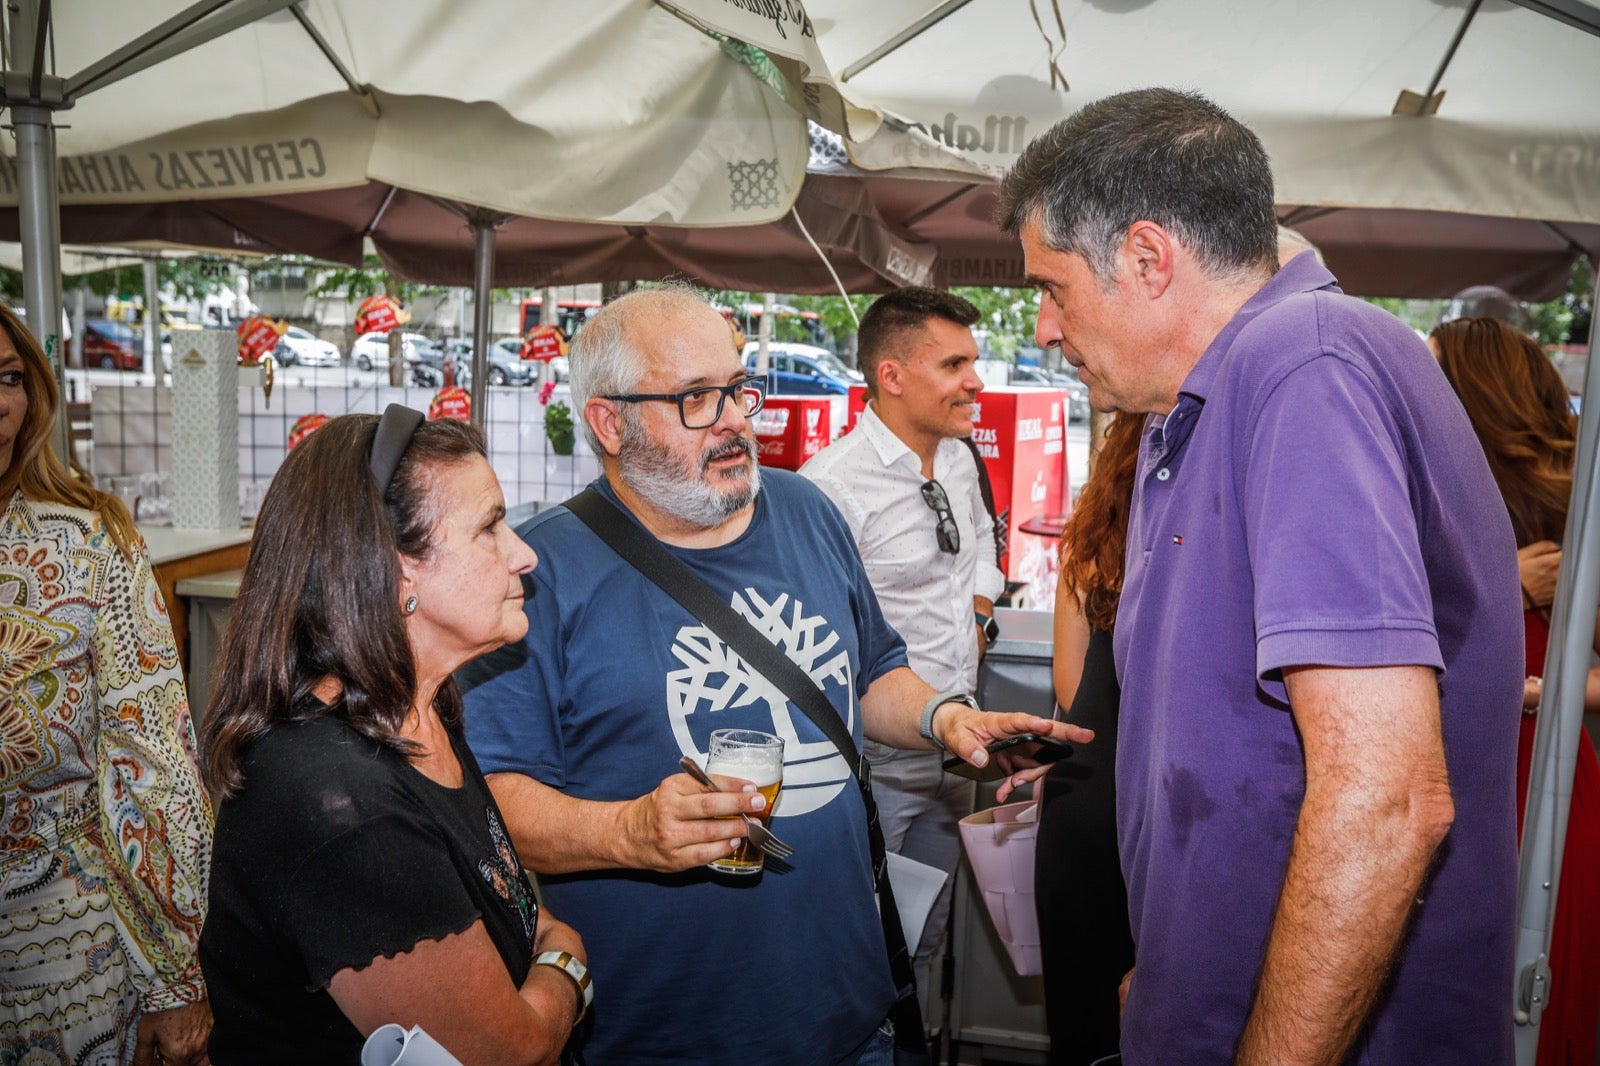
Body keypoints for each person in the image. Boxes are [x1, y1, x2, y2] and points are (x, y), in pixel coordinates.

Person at [998, 87, 1522, 1063]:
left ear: (1149, 259)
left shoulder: (1300, 366)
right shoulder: (1199, 402)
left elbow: (1387, 796)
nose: (1040, 328)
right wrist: (1172, 972)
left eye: (1053, 286)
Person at [459, 285, 1091, 1065]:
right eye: (695, 398)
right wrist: (628, 832)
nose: (732, 418)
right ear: (608, 422)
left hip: (853, 1013)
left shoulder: (806, 510)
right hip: (665, 1035)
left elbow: (872, 674)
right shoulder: (535, 573)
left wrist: (944, 719)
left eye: (736, 388)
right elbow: (489, 809)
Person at [198, 409, 587, 1065]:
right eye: (489, 527)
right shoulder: (342, 803)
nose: (524, 553)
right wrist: (567, 960)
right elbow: (513, 1052)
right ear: (398, 570)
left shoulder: (420, 712)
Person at [0, 302, 213, 1066]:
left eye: (10, 377)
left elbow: (152, 761)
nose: (0, 401)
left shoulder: (86, 541)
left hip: (65, 952)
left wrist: (172, 977)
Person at [798, 286, 1005, 1009]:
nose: (975, 381)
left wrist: (979, 616)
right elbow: (816, 641)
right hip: (875, 763)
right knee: (859, 944)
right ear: (892, 376)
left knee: (930, 936)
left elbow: (979, 544)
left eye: (973, 363)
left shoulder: (955, 457)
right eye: (954, 364)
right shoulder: (830, 487)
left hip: (959, 750)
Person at [1430, 315, 1600, 1066]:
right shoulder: (1427, 500)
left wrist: (1548, 693)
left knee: (1536, 993)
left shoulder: (1571, 509)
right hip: (1453, 763)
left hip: (1546, 772)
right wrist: (1508, 585)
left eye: (1435, 374)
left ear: (1479, 393)